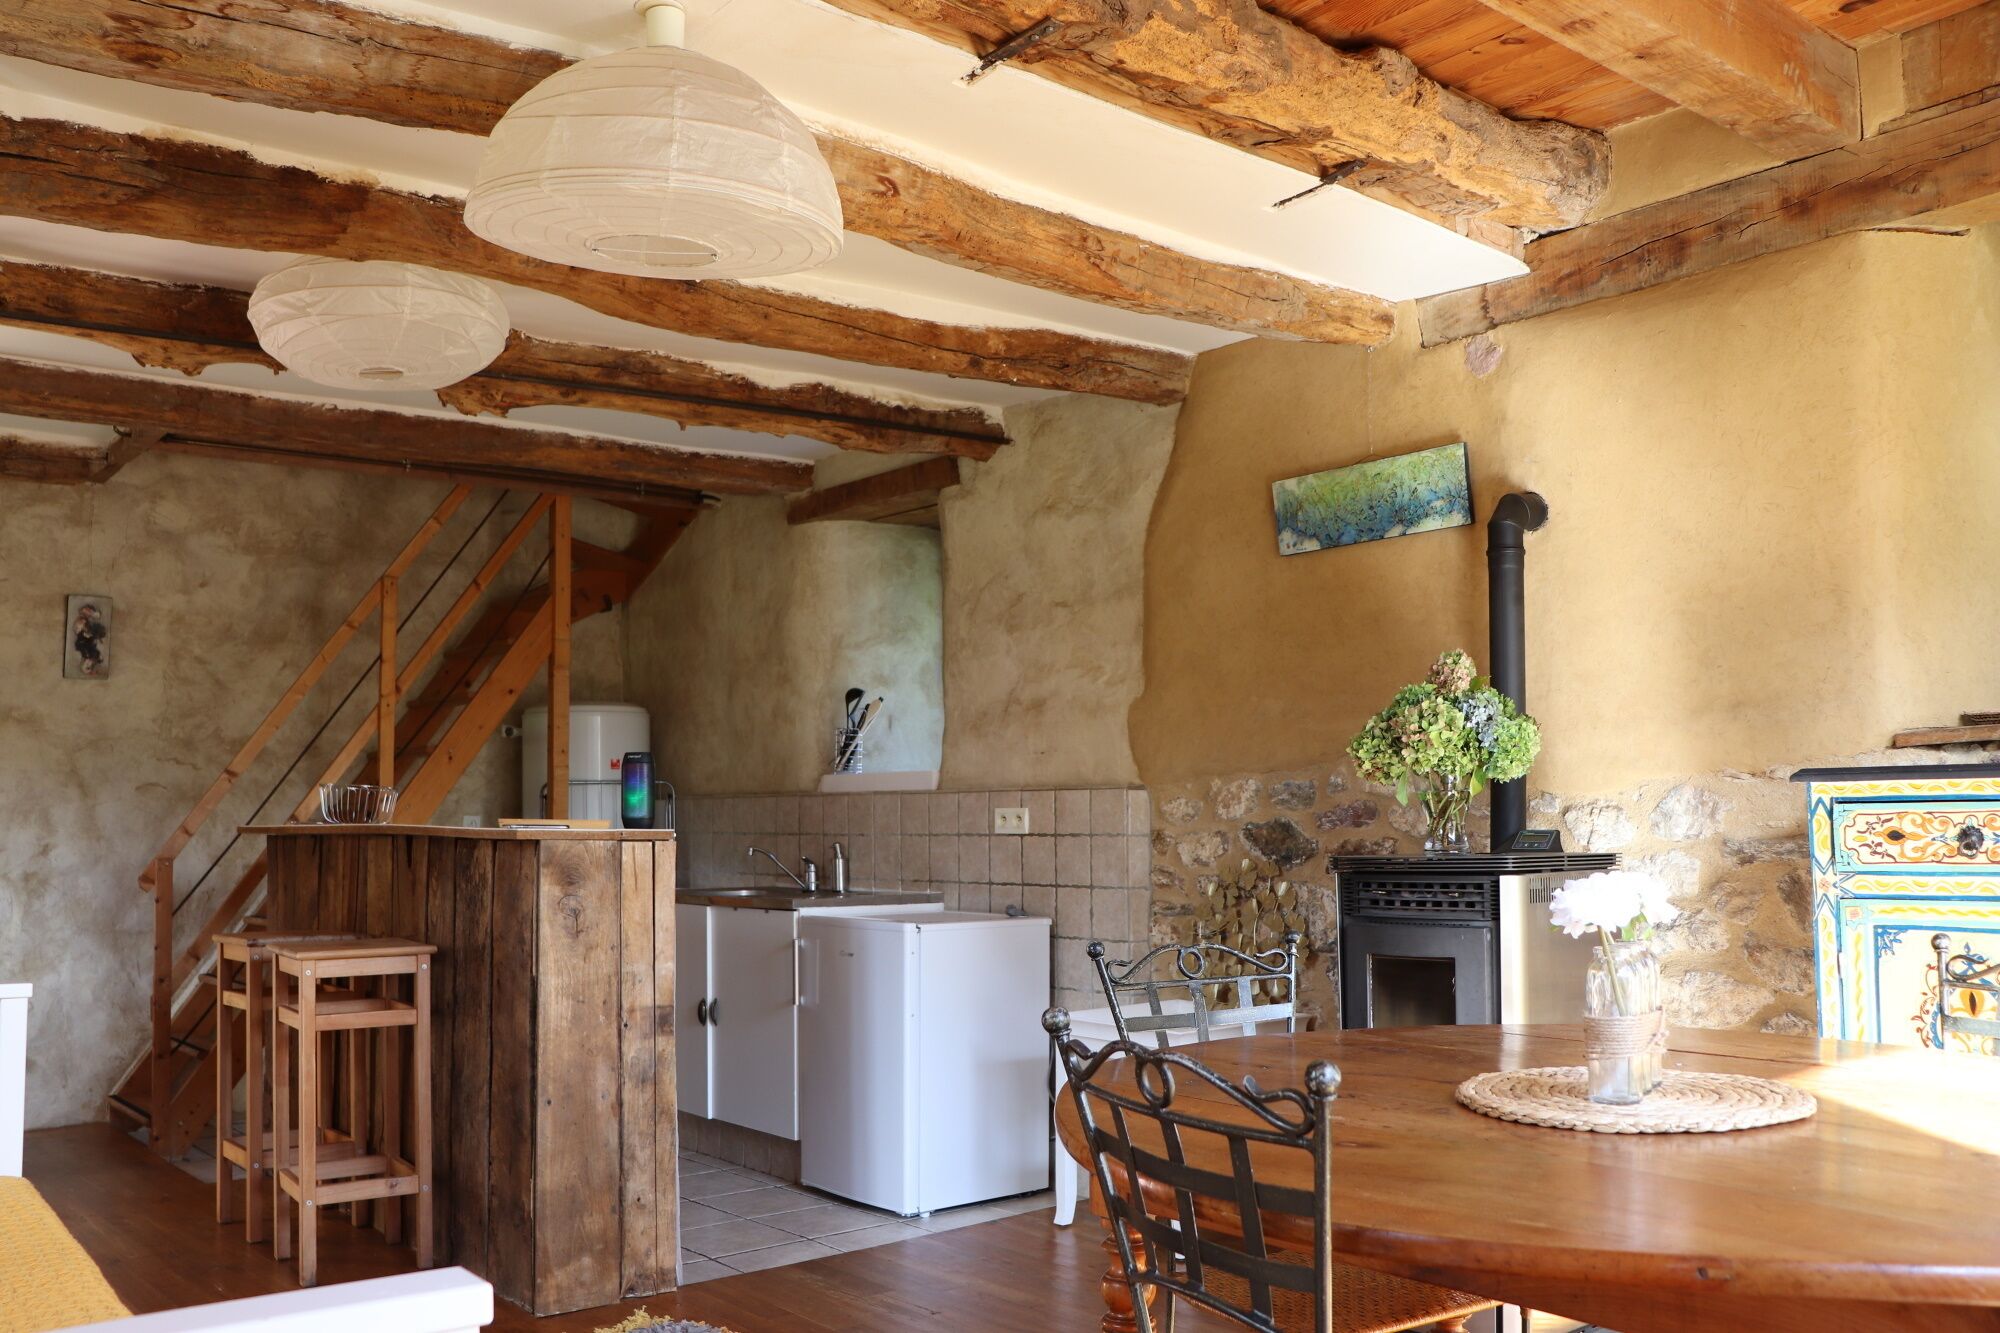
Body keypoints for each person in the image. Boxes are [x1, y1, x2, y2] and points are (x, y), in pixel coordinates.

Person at [72, 603, 107, 676]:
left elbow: (89, 632)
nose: (89, 615)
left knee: (96, 656)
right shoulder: (81, 621)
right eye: (88, 613)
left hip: (88, 643)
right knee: (89, 657)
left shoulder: (87, 622)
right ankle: (86, 670)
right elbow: (79, 631)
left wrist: (94, 635)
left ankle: (89, 668)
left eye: (90, 613)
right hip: (83, 643)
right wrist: (88, 634)